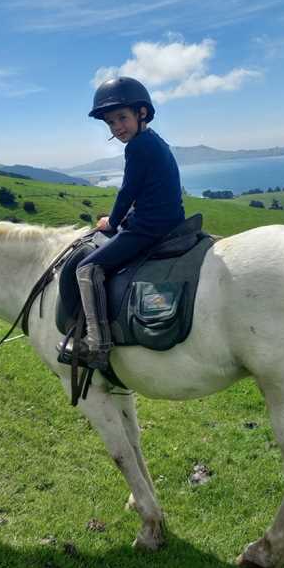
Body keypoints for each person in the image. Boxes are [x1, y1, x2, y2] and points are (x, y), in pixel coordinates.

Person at [61, 76, 185, 371]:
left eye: (122, 118)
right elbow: (147, 191)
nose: (117, 127)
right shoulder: (155, 141)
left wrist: (113, 222)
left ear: (141, 113)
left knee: (86, 268)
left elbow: (128, 190)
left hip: (149, 227)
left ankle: (97, 346)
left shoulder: (137, 147)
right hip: (169, 220)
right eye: (111, 123)